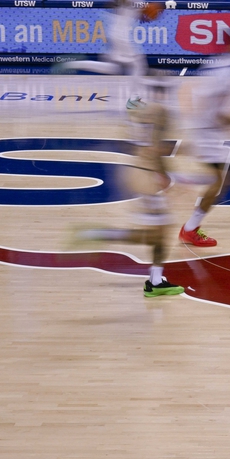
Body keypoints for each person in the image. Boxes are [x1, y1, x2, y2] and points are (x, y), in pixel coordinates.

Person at [75, 72, 186, 297]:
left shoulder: (138, 109)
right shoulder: (162, 112)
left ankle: (155, 280)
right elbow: (155, 149)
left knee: (160, 231)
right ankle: (101, 235)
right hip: (148, 176)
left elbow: (130, 109)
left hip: (134, 170)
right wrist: (167, 178)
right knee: (158, 234)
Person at [177, 40, 230, 249]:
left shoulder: (218, 63)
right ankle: (189, 229)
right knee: (220, 183)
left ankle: (189, 223)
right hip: (209, 132)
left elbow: (205, 101)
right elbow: (216, 112)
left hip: (208, 129)